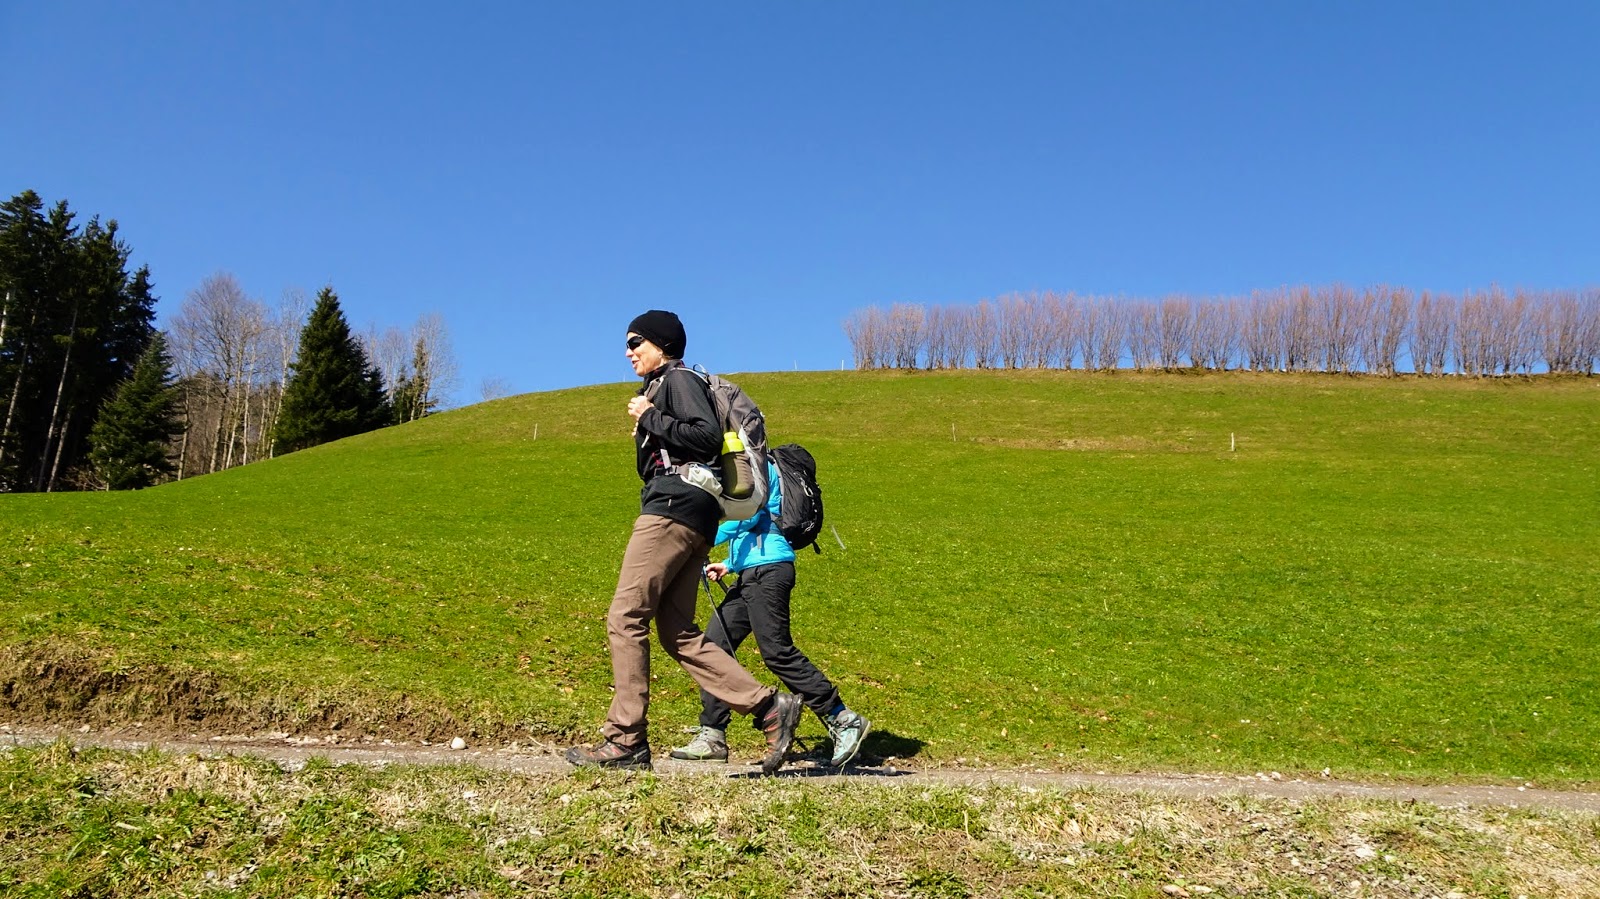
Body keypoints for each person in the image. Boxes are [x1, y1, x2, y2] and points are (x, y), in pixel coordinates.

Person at [565, 310, 801, 772]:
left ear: (662, 344)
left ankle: (626, 739)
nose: (628, 352)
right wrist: (650, 425)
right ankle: (769, 708)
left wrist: (651, 417)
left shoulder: (677, 379)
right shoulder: (662, 388)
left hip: (671, 510)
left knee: (625, 616)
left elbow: (705, 436)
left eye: (635, 342)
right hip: (695, 515)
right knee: (677, 632)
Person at [671, 458, 871, 768]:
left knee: (777, 651)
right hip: (750, 573)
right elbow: (758, 524)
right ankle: (712, 735)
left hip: (769, 572)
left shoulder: (757, 466)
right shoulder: (748, 466)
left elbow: (750, 515)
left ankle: (843, 718)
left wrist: (701, 538)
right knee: (713, 647)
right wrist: (730, 565)